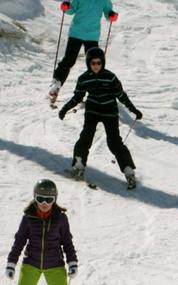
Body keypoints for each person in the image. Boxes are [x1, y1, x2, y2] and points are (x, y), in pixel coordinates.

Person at [57, 47, 142, 189]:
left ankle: (129, 172)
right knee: (85, 137)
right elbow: (78, 97)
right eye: (93, 63)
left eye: (98, 63)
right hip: (93, 110)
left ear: (103, 63)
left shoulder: (110, 77)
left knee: (114, 142)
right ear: (88, 64)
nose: (96, 66)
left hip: (110, 111)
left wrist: (134, 110)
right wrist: (65, 109)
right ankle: (78, 167)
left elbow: (121, 96)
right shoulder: (84, 79)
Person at [49, 0, 117, 104]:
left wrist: (111, 15)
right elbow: (71, 10)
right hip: (76, 33)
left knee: (95, 63)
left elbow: (108, 13)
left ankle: (96, 91)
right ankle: (56, 84)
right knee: (69, 60)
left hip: (92, 36)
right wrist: (66, 7)